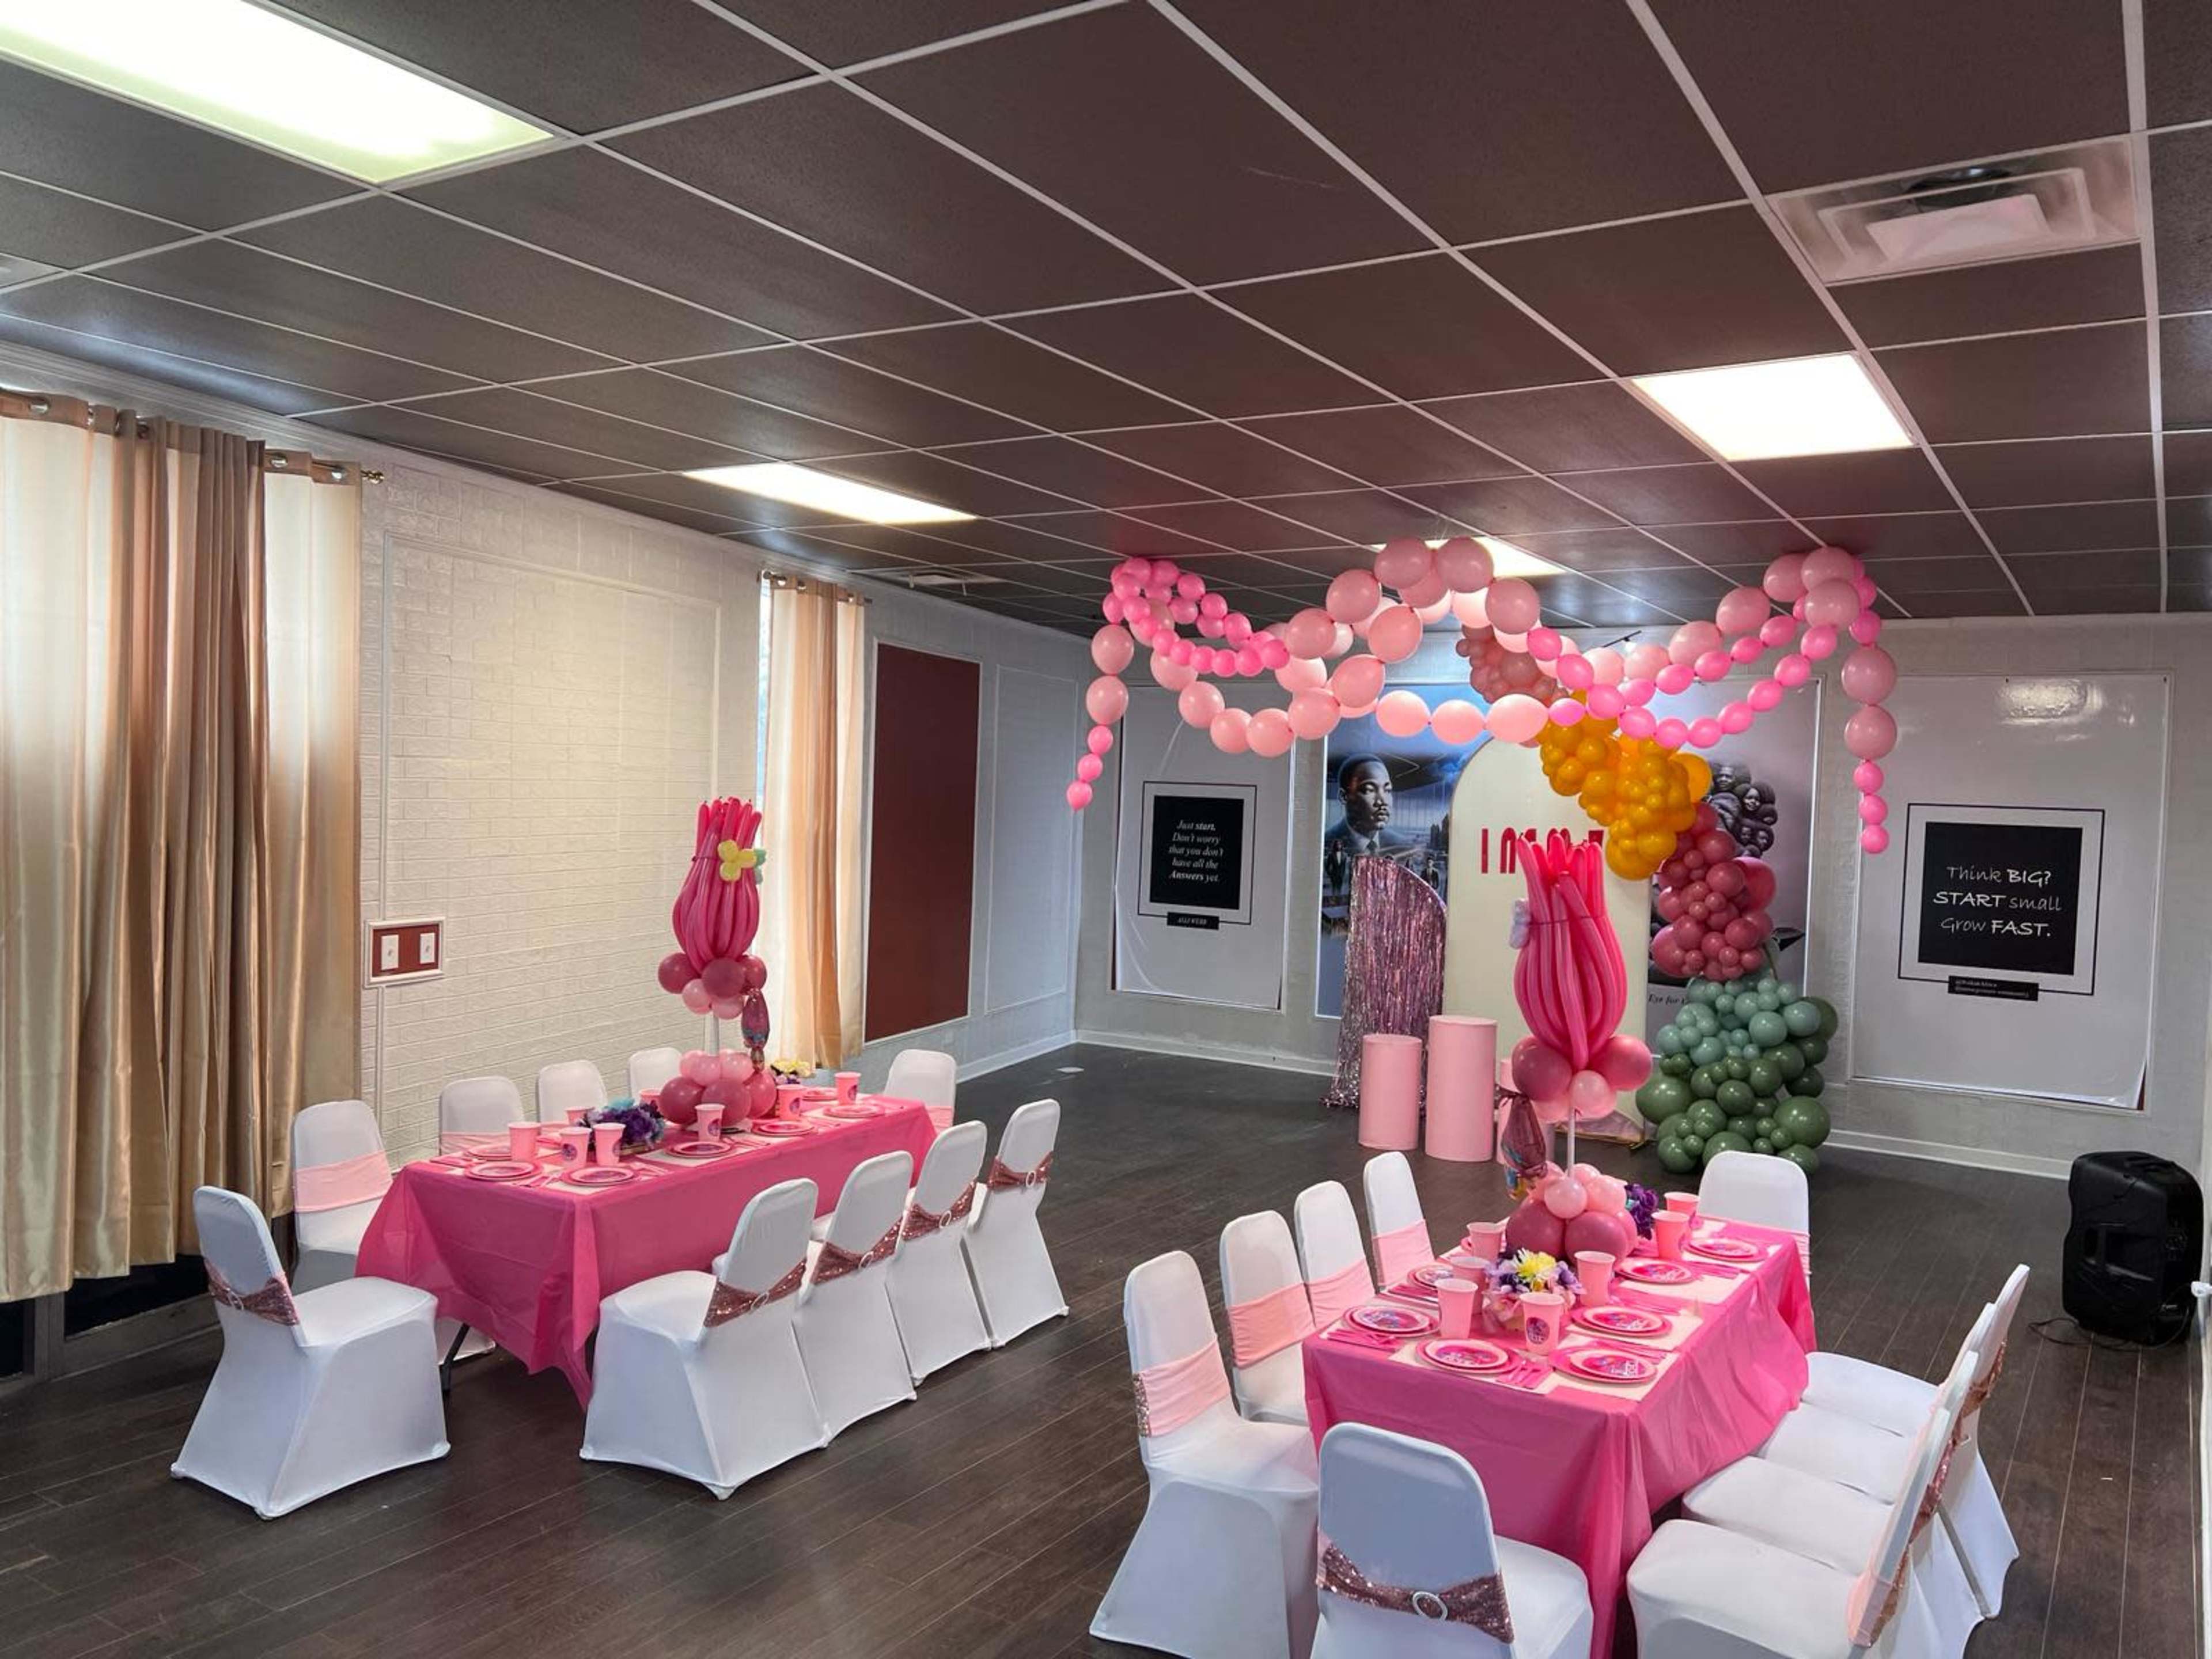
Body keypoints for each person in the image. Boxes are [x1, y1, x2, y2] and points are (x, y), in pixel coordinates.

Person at [1320, 754, 1422, 926]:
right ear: (1344, 797)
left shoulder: (1403, 846)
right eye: (1369, 790)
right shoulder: (1325, 843)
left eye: (1387, 790)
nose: (1382, 801)